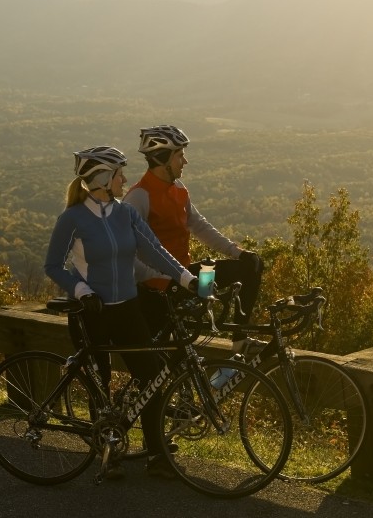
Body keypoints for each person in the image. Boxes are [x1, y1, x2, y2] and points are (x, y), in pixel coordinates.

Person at [44, 145, 197, 481]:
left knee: (152, 376)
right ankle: (107, 454)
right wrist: (82, 290)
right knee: (100, 381)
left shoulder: (124, 214)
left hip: (128, 308)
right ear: (102, 178)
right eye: (118, 174)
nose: (125, 180)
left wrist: (187, 279)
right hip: (92, 311)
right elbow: (53, 266)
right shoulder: (72, 218)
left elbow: (154, 251)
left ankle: (157, 456)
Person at [123, 125, 264, 353]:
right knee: (164, 365)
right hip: (160, 292)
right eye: (180, 156)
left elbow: (200, 226)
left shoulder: (178, 189)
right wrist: (161, 281)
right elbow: (124, 254)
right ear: (163, 159)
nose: (185, 162)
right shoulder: (139, 197)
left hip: (189, 282)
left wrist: (239, 252)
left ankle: (240, 339)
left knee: (251, 267)